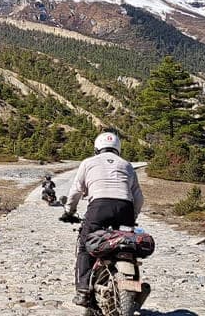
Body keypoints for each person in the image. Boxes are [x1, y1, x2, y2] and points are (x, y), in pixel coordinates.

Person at [62, 131, 144, 308]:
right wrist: (133, 216)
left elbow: (76, 190)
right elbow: (138, 197)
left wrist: (69, 210)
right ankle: (133, 287)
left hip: (99, 207)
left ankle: (83, 291)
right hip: (125, 208)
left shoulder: (88, 162)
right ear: (118, 148)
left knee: (85, 247)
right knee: (126, 245)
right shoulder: (127, 165)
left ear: (96, 148)